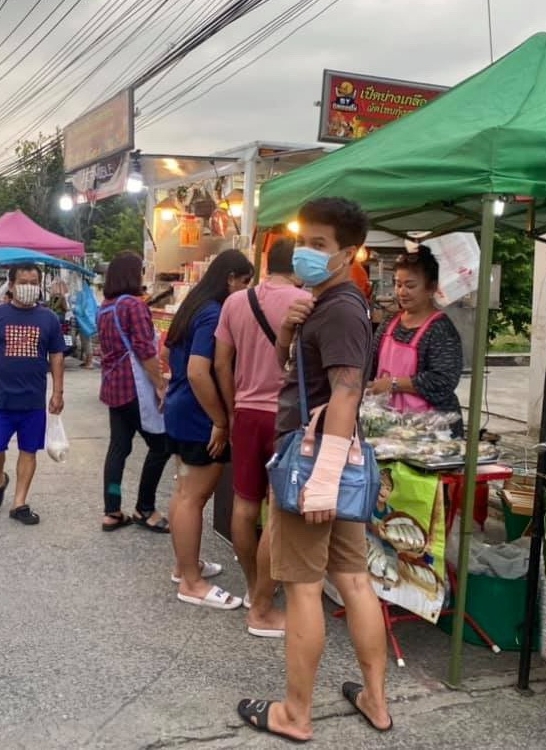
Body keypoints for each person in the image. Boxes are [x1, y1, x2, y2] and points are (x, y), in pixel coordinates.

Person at [236, 197, 391, 742]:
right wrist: (286, 335)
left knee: (305, 587)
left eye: (319, 245)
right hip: (329, 463)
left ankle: (295, 714)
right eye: (303, 240)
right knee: (352, 578)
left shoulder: (344, 309)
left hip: (313, 468)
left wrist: (322, 479)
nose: (305, 252)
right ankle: (374, 699)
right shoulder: (322, 304)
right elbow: (298, 378)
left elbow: (347, 394)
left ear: (348, 253)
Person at [214, 238, 312, 637]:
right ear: (300, 265)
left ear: (268, 263)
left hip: (247, 414)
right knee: (280, 514)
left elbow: (221, 362)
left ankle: (256, 586)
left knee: (244, 506)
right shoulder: (306, 303)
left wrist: (233, 406)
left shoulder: (235, 302)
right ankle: (262, 606)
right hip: (288, 417)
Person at [165, 249, 253, 611]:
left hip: (181, 409)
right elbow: (200, 370)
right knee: (193, 496)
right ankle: (191, 582)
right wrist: (220, 419)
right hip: (200, 414)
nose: (246, 290)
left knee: (185, 490)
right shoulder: (214, 312)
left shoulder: (193, 306)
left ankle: (185, 566)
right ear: (230, 278)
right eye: (245, 282)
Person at [0, 264, 65, 526]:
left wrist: (57, 392)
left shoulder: (49, 319)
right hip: (2, 399)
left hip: (33, 400)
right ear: (11, 285)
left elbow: (56, 356)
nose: (29, 287)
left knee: (29, 451)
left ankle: (19, 502)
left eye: (34, 282)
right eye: (23, 281)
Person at [96, 253, 172, 533]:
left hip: (113, 386)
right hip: (134, 388)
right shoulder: (134, 306)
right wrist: (160, 385)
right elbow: (145, 351)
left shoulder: (105, 307)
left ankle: (112, 511)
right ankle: (145, 508)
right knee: (161, 445)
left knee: (119, 448)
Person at [367, 246, 464, 434]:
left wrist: (394, 384)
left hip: (432, 428)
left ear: (432, 288)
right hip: (388, 422)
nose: (402, 292)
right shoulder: (390, 322)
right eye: (398, 284)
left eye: (410, 286)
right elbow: (369, 364)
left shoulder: (440, 329)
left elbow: (443, 380)